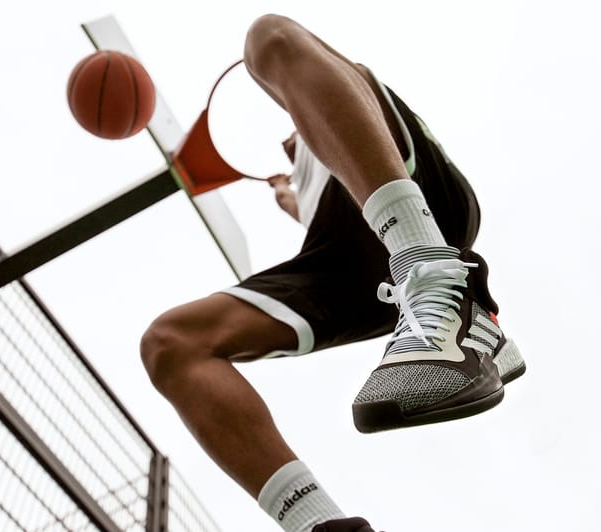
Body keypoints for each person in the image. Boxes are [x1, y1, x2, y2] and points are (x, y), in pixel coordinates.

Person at [139, 14, 525, 532]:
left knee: (268, 36)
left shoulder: (332, 93)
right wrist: (289, 198)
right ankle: (318, 524)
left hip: (418, 199)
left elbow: (302, 73)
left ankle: (436, 277)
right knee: (170, 343)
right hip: (346, 259)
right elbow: (316, 205)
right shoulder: (296, 184)